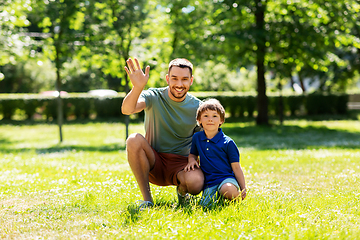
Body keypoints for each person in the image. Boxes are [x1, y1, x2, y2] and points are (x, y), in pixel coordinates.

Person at [122, 57, 204, 209]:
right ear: (167, 78)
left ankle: (182, 191)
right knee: (133, 139)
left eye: (184, 79)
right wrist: (137, 87)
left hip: (182, 164)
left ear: (191, 81)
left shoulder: (198, 107)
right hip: (154, 161)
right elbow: (127, 109)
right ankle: (147, 200)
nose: (179, 84)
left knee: (196, 183)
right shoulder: (154, 96)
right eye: (174, 78)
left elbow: (205, 142)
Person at [184, 98, 246, 207]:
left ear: (221, 120)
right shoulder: (197, 137)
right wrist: (191, 160)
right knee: (205, 207)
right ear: (199, 120)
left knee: (227, 189)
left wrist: (243, 188)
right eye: (206, 116)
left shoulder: (228, 142)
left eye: (215, 116)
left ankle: (235, 200)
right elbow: (193, 153)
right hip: (209, 182)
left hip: (227, 179)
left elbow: (236, 167)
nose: (210, 119)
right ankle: (219, 197)